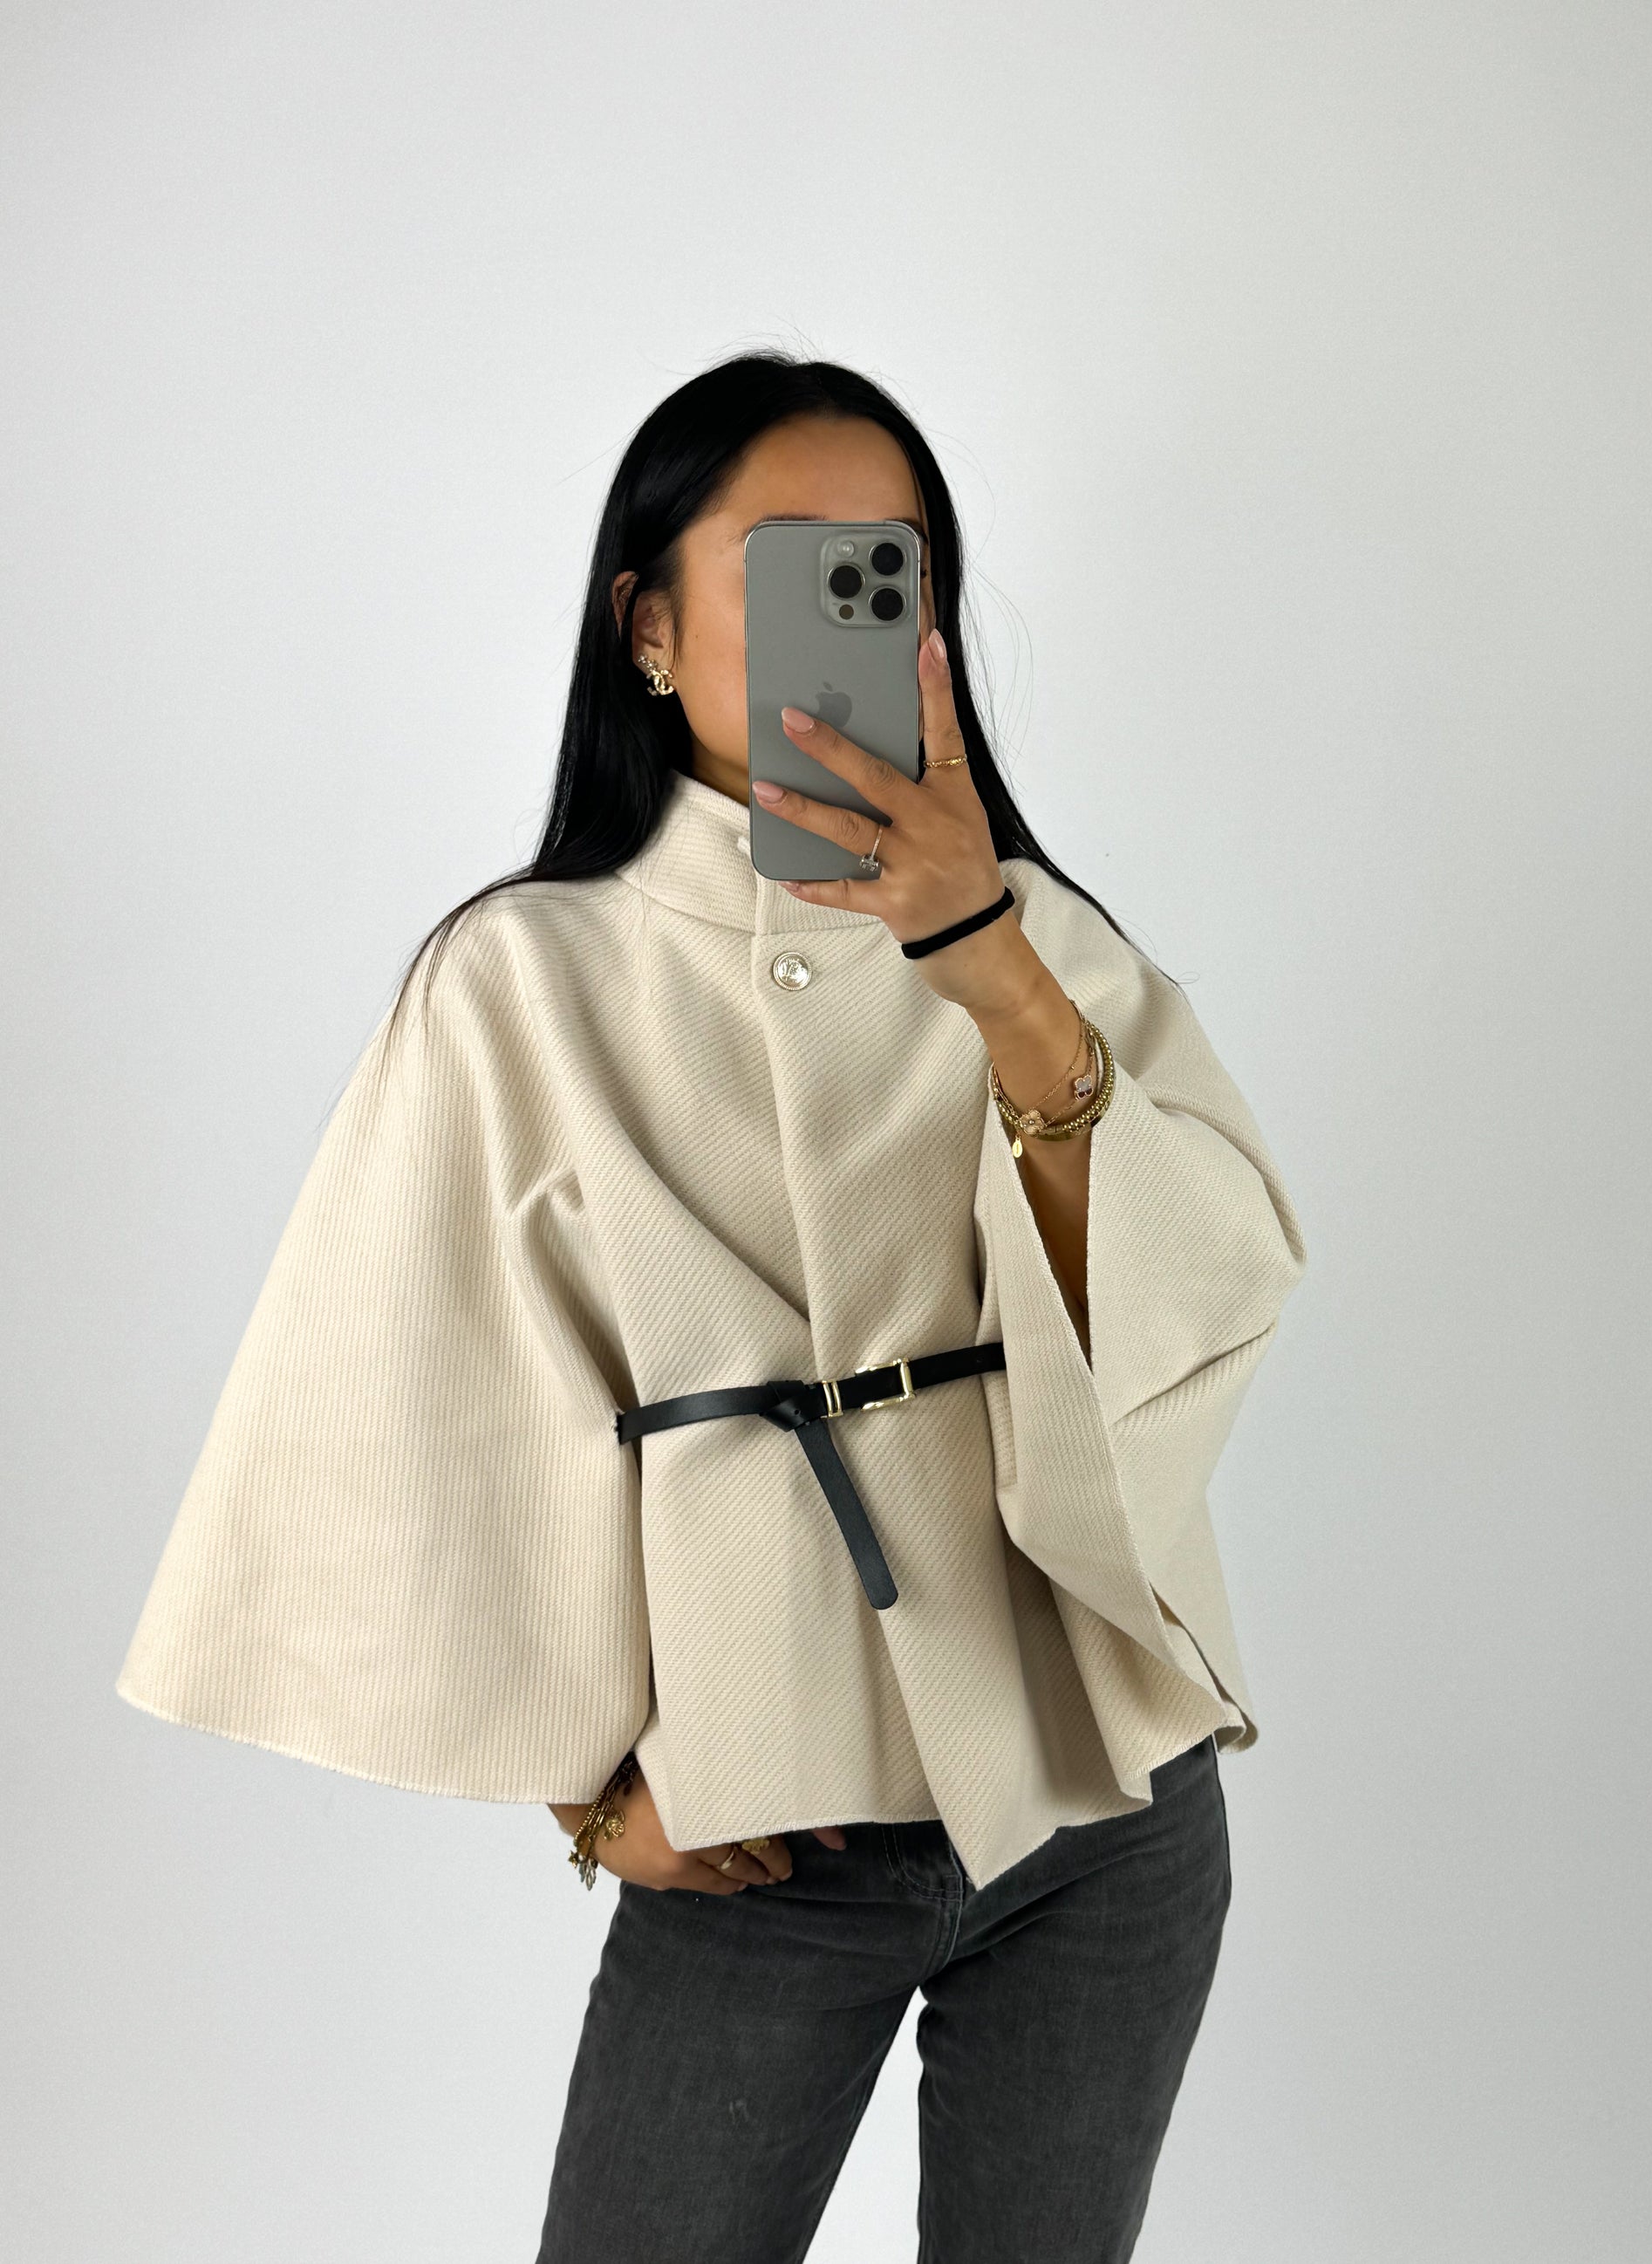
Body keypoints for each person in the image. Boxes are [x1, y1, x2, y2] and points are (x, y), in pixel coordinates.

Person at [115, 353, 1307, 2262]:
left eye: (890, 566)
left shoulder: (1039, 936)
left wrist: (987, 964)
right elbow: (408, 1389)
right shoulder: (524, 976)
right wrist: (582, 1783)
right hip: (773, 1830)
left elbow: (1204, 1286)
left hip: (1105, 1796)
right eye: (791, 562)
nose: (856, 605)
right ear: (648, 627)